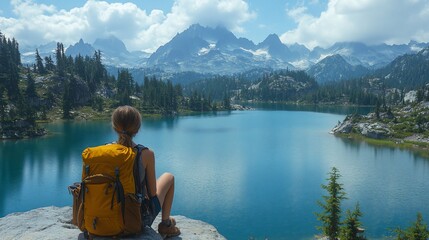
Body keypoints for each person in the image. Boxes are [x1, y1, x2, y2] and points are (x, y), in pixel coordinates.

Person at [111, 105, 181, 238]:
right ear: (137, 129)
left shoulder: (103, 151)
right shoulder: (145, 154)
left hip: (105, 216)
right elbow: (153, 193)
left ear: (115, 127)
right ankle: (165, 225)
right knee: (169, 177)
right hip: (135, 220)